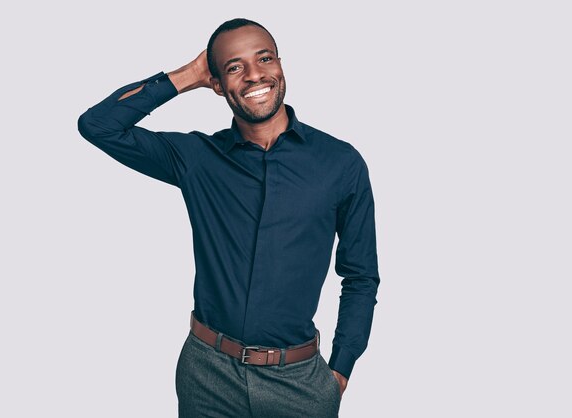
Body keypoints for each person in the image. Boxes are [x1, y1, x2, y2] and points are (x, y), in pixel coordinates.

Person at [77, 17, 380, 418]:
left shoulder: (341, 163)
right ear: (217, 83)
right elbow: (98, 126)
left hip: (300, 383)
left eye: (265, 58)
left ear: (280, 65)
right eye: (234, 67)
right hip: (207, 375)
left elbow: (360, 275)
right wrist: (188, 75)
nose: (255, 75)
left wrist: (341, 368)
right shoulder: (197, 159)